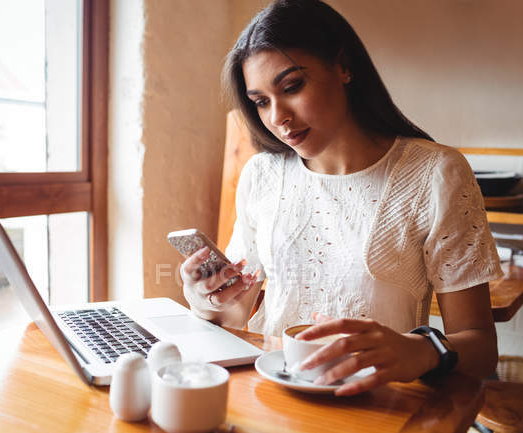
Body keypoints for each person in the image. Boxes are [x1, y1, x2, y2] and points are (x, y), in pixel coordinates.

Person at [181, 0, 501, 396]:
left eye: (292, 86)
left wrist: (419, 350)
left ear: (343, 67)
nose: (277, 116)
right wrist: (205, 301)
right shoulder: (262, 174)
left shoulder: (434, 174)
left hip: (378, 404)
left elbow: (482, 349)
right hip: (270, 398)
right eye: (261, 101)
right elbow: (237, 313)